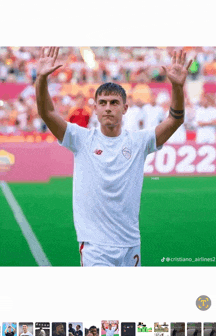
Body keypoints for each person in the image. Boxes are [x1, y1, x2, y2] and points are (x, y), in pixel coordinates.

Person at [36, 47, 192, 267]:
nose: (108, 108)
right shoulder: (81, 139)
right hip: (96, 247)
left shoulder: (139, 142)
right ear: (96, 109)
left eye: (114, 103)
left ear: (125, 108)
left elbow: (174, 120)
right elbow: (47, 113)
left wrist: (177, 86)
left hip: (130, 244)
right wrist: (41, 79)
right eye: (103, 103)